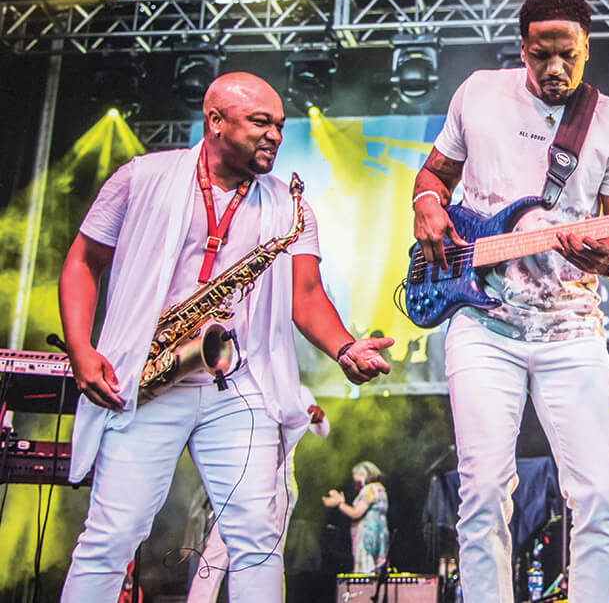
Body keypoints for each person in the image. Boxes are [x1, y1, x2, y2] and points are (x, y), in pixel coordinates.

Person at [58, 72, 393, 603]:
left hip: (238, 385)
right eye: (261, 122)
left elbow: (305, 296)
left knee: (258, 541)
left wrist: (345, 347)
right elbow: (83, 261)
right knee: (110, 539)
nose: (275, 136)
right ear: (215, 121)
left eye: (280, 126)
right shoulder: (141, 177)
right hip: (149, 378)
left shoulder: (291, 205)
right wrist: (82, 349)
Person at [411, 0, 609, 603]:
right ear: (522, 48)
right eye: (541, 55)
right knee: (483, 489)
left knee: (597, 494)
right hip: (483, 325)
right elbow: (435, 173)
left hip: (571, 328)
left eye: (568, 55)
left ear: (587, 49)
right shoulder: (479, 93)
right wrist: (426, 206)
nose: (555, 69)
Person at [187, 387, 331, 603]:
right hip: (240, 481)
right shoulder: (243, 383)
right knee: (216, 550)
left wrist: (318, 420)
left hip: (279, 483)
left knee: (271, 555)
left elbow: (323, 430)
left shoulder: (298, 390)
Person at [323, 460, 390, 573]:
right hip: (380, 535)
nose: (355, 484)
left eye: (356, 480)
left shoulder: (369, 490)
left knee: (365, 571)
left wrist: (339, 504)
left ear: (364, 475)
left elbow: (356, 513)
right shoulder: (381, 489)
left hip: (367, 536)